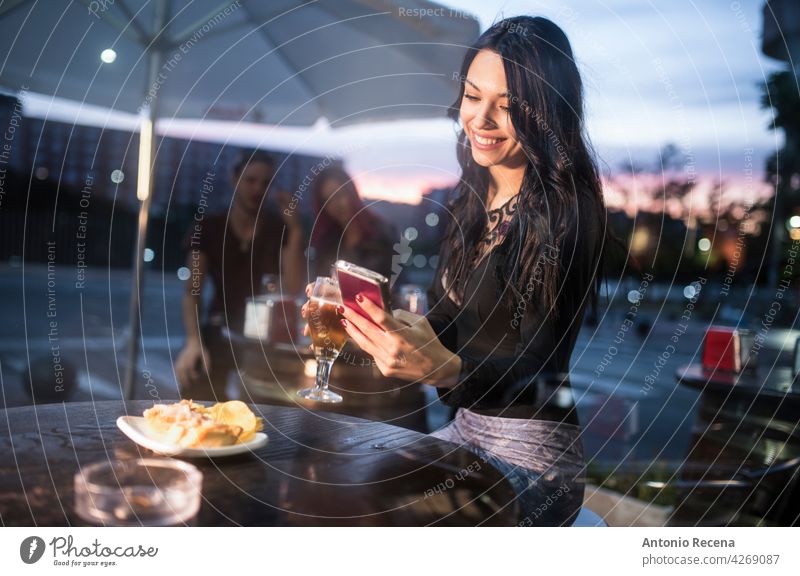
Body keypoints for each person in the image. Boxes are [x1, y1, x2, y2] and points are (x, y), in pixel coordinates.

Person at [305, 16, 618, 526]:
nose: (482, 119)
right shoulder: (471, 199)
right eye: (473, 97)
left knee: (369, 514)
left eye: (510, 106)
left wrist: (442, 369)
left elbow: (535, 371)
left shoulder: (569, 212)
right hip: (464, 432)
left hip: (535, 460)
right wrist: (379, 326)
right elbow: (447, 327)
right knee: (334, 479)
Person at [175, 150, 304, 401]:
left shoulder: (279, 229)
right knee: (198, 393)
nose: (258, 189)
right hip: (219, 327)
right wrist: (193, 341)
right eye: (250, 180)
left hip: (265, 336)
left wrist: (296, 229)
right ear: (235, 180)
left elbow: (293, 287)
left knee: (271, 406)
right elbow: (193, 291)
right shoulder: (210, 228)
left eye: (266, 183)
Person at [308, 166, 395, 280]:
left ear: (351, 192)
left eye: (339, 195)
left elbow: (399, 282)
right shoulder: (328, 243)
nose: (336, 205)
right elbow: (321, 284)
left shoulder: (383, 233)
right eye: (328, 201)